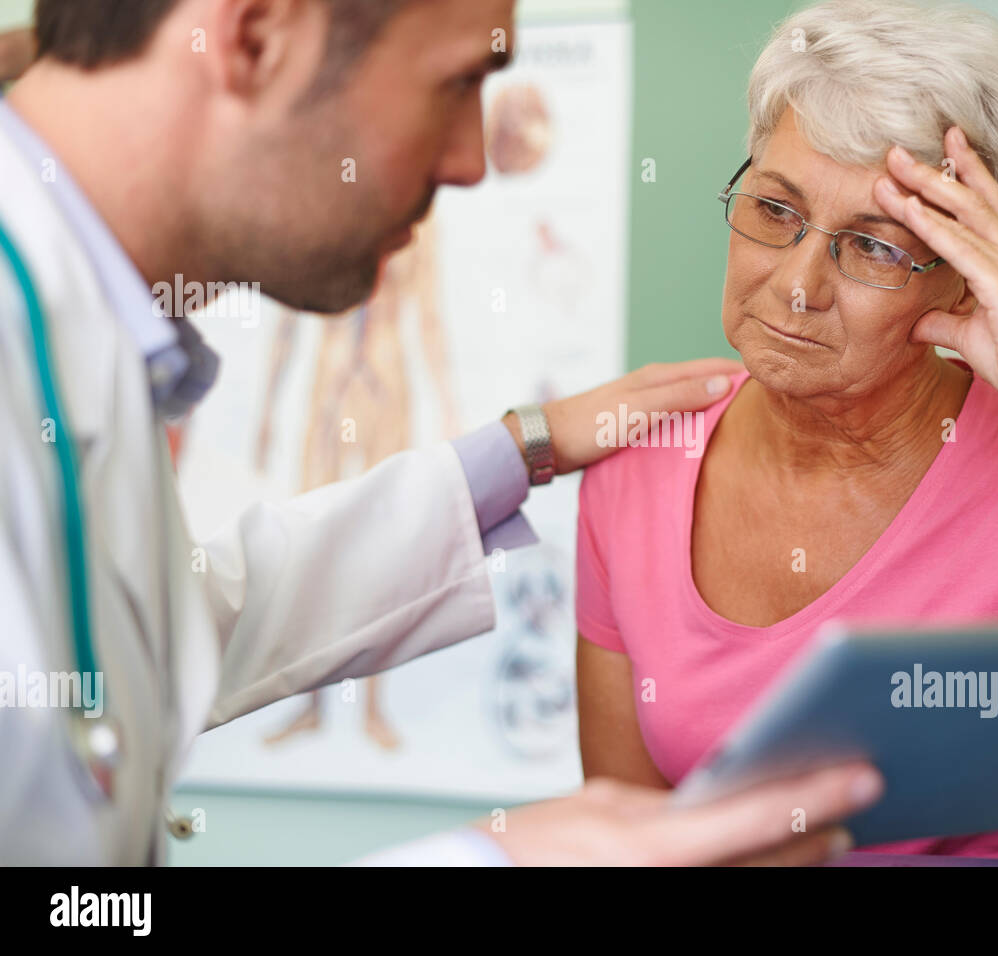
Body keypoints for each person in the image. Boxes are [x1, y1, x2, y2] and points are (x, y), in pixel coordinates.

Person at [0, 0, 884, 866]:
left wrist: (519, 451)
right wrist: (496, 860)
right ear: (257, 37)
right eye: (458, 80)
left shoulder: (75, 334)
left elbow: (172, 626)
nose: (472, 161)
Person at [575, 0, 998, 867]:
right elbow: (626, 845)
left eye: (873, 247)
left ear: (969, 280)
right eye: (774, 207)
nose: (797, 285)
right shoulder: (635, 466)